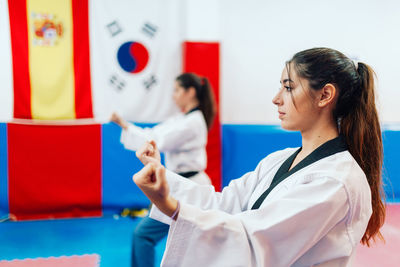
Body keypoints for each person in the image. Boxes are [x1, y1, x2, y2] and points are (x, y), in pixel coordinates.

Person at [132, 47, 386, 267]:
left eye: (288, 87)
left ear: (325, 95)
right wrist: (163, 180)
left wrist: (171, 206)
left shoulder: (335, 181)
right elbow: (226, 203)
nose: (276, 99)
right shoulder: (279, 160)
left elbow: (254, 241)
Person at [111, 72, 217, 267]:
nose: (173, 95)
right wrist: (124, 125)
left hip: (189, 187)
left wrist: (124, 124)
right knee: (151, 237)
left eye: (177, 90)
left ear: (190, 92)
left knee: (143, 236)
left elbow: (157, 141)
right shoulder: (182, 119)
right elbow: (154, 134)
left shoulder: (192, 122)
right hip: (178, 185)